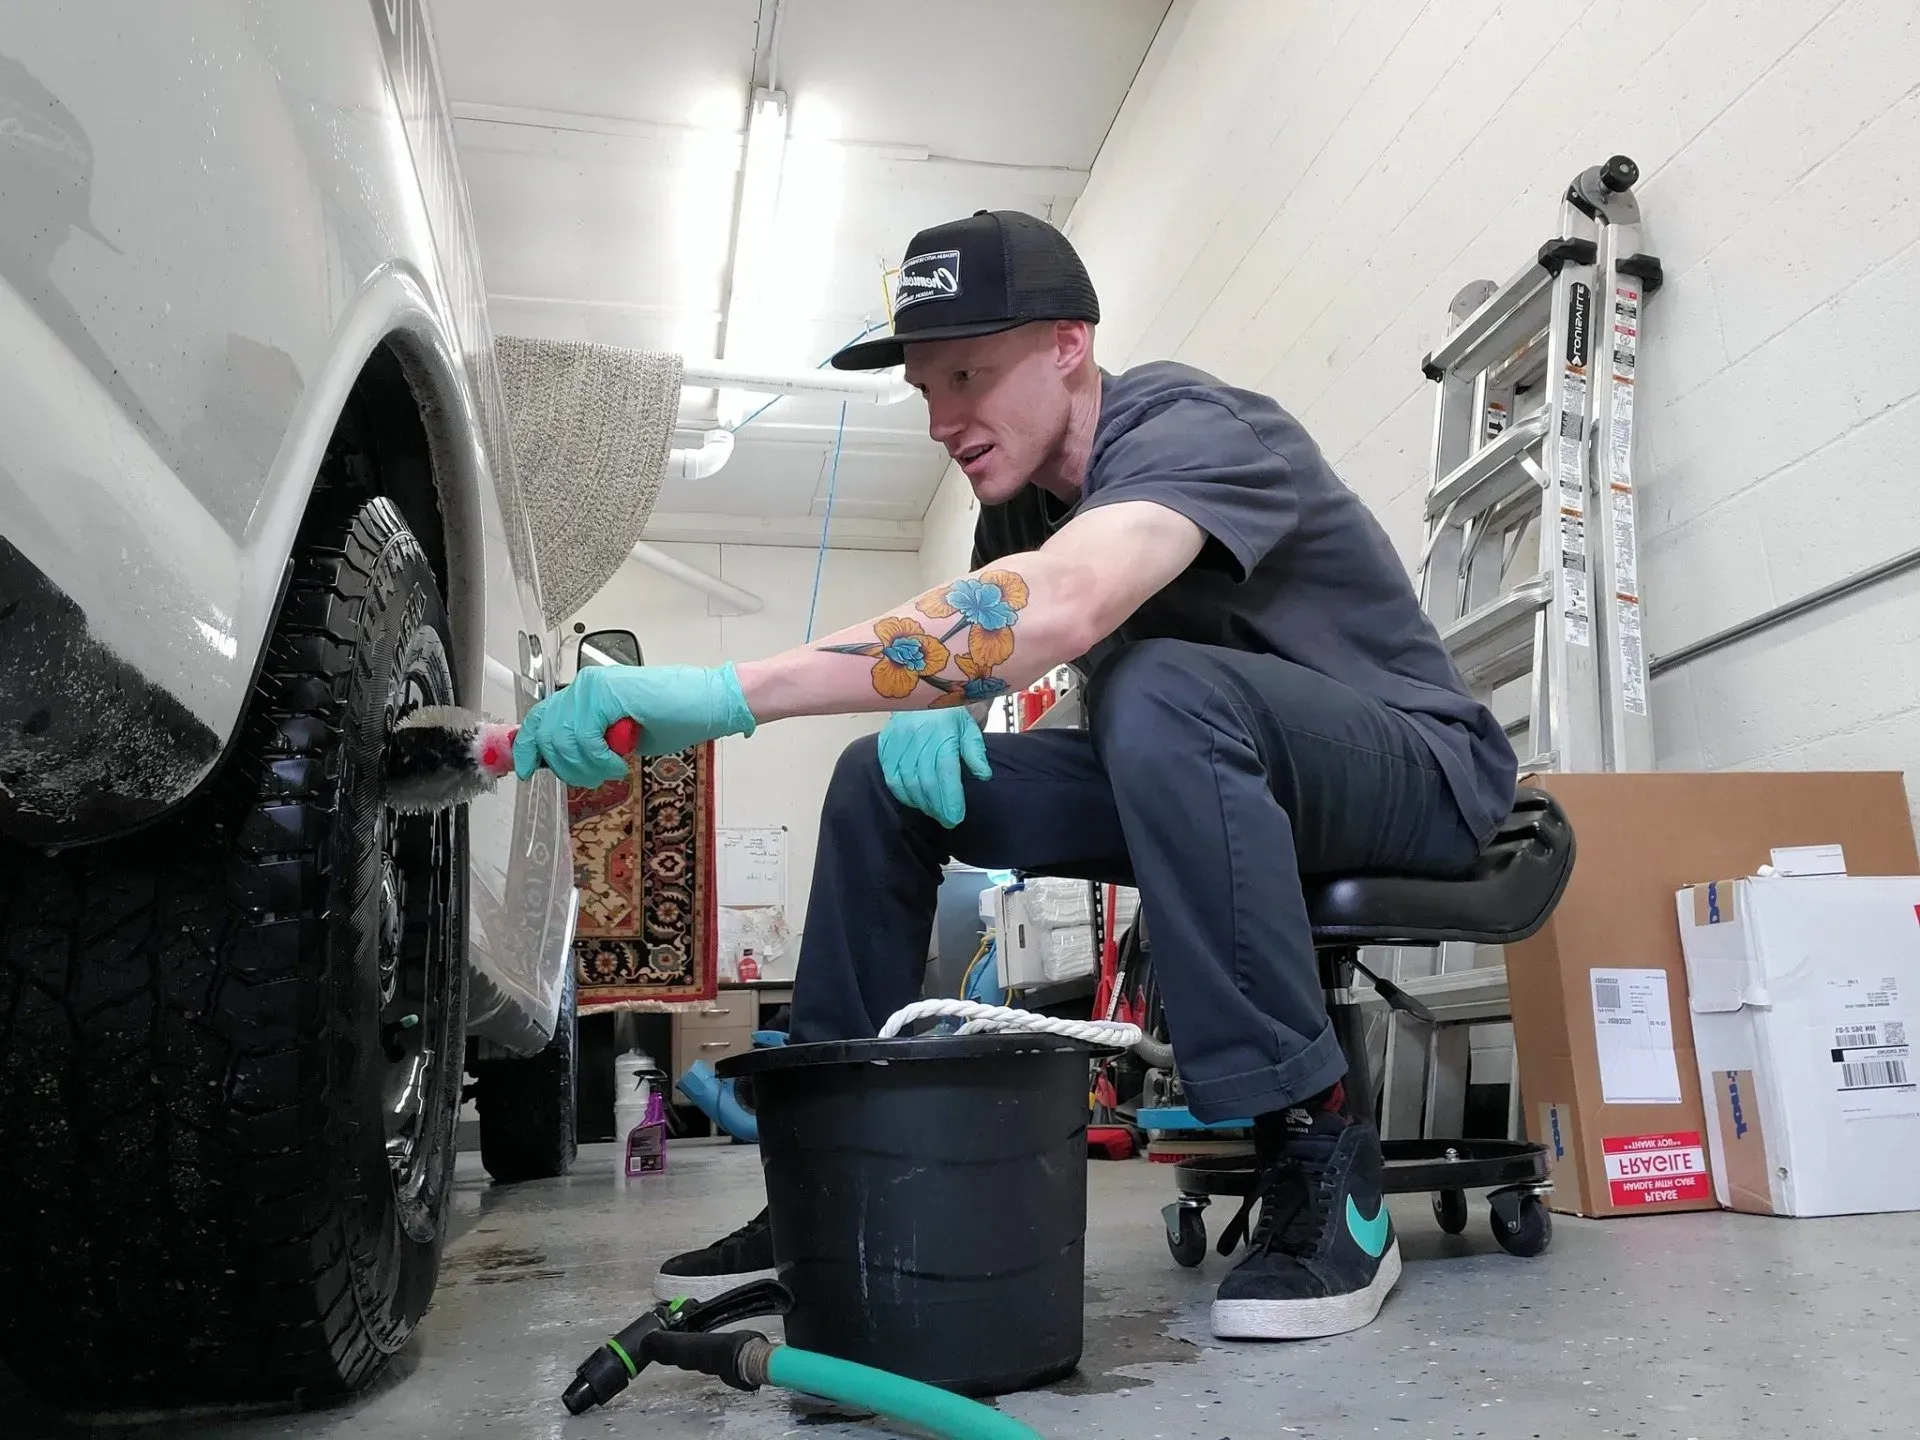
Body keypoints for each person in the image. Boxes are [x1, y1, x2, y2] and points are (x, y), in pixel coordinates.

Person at [513, 210, 1517, 1341]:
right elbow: (975, 641)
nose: (944, 420)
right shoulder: (1020, 508)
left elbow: (1069, 604)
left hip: (1417, 771)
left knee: (1159, 688)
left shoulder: (1192, 424)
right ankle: (828, 1180)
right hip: (1209, 777)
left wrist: (726, 696)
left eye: (970, 376)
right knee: (877, 782)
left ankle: (1324, 1153)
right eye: (926, 390)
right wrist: (939, 707)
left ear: (1069, 345)